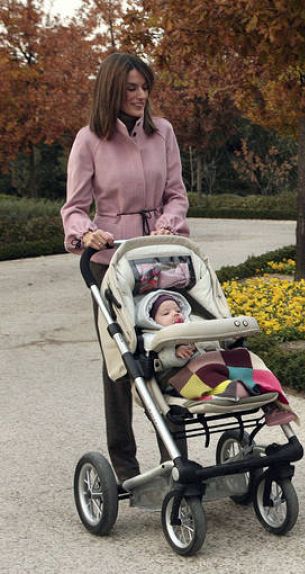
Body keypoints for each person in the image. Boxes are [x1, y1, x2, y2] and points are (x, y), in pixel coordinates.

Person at [61, 53, 190, 485]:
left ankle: (177, 459)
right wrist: (88, 233)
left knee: (169, 348)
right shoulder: (89, 140)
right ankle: (125, 466)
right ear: (112, 91)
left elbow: (176, 194)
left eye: (145, 87)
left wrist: (170, 221)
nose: (141, 95)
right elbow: (74, 208)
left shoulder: (162, 132)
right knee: (120, 361)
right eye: (131, 88)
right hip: (111, 262)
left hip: (158, 257)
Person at [135, 289, 297, 426]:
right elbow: (157, 357)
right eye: (166, 313)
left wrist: (230, 337)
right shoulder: (153, 337)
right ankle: (232, 389)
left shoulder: (193, 326)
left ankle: (270, 401)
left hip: (212, 366)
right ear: (151, 320)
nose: (175, 314)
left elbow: (213, 342)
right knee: (203, 368)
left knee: (242, 356)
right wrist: (175, 353)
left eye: (177, 310)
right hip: (179, 378)